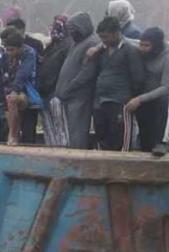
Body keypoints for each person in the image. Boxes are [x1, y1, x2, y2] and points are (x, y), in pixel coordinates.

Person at [87, 16, 144, 151]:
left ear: (116, 33)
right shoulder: (102, 50)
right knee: (102, 137)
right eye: (101, 38)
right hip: (101, 101)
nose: (103, 41)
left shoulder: (130, 51)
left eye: (106, 37)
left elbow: (138, 78)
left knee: (119, 140)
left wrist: (129, 98)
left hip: (119, 102)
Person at [52, 12, 101, 150]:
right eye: (70, 29)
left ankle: (78, 159)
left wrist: (70, 87)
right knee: (70, 130)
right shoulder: (77, 43)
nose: (72, 32)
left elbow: (87, 73)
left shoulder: (91, 43)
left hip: (79, 96)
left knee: (78, 131)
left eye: (74, 29)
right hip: (69, 96)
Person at [126, 28, 168, 153]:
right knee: (144, 139)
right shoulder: (140, 47)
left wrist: (140, 99)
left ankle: (160, 143)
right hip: (141, 99)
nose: (142, 48)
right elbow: (122, 39)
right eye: (141, 44)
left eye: (146, 46)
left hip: (158, 101)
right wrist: (98, 47)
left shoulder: (166, 57)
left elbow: (165, 87)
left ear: (156, 46)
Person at [37, 15, 73, 146]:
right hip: (45, 93)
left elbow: (65, 71)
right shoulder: (52, 45)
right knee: (49, 128)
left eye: (59, 25)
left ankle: (63, 155)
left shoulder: (68, 46)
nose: (55, 29)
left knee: (61, 128)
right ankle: (52, 152)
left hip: (57, 94)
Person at [0, 27, 39, 146]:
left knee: (12, 100)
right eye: (7, 50)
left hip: (27, 91)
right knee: (10, 106)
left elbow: (24, 73)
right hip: (12, 89)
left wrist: (15, 90)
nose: (9, 53)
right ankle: (14, 134)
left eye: (12, 50)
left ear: (20, 48)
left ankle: (12, 135)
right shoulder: (7, 55)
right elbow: (2, 68)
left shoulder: (29, 53)